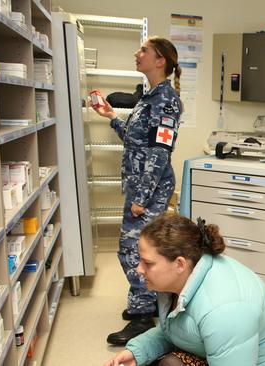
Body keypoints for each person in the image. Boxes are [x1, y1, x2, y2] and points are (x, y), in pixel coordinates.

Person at [103, 213, 265, 366]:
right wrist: (136, 353)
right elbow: (175, 331)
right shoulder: (180, 278)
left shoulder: (224, 308)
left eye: (147, 263)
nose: (138, 269)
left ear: (179, 264)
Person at [92, 36, 183, 345]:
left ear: (161, 61)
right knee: (133, 250)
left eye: (144, 50)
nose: (137, 53)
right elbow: (138, 141)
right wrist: (113, 119)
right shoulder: (149, 96)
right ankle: (142, 304)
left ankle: (144, 315)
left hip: (150, 191)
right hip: (139, 188)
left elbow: (160, 153)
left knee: (135, 253)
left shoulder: (166, 100)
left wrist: (141, 199)